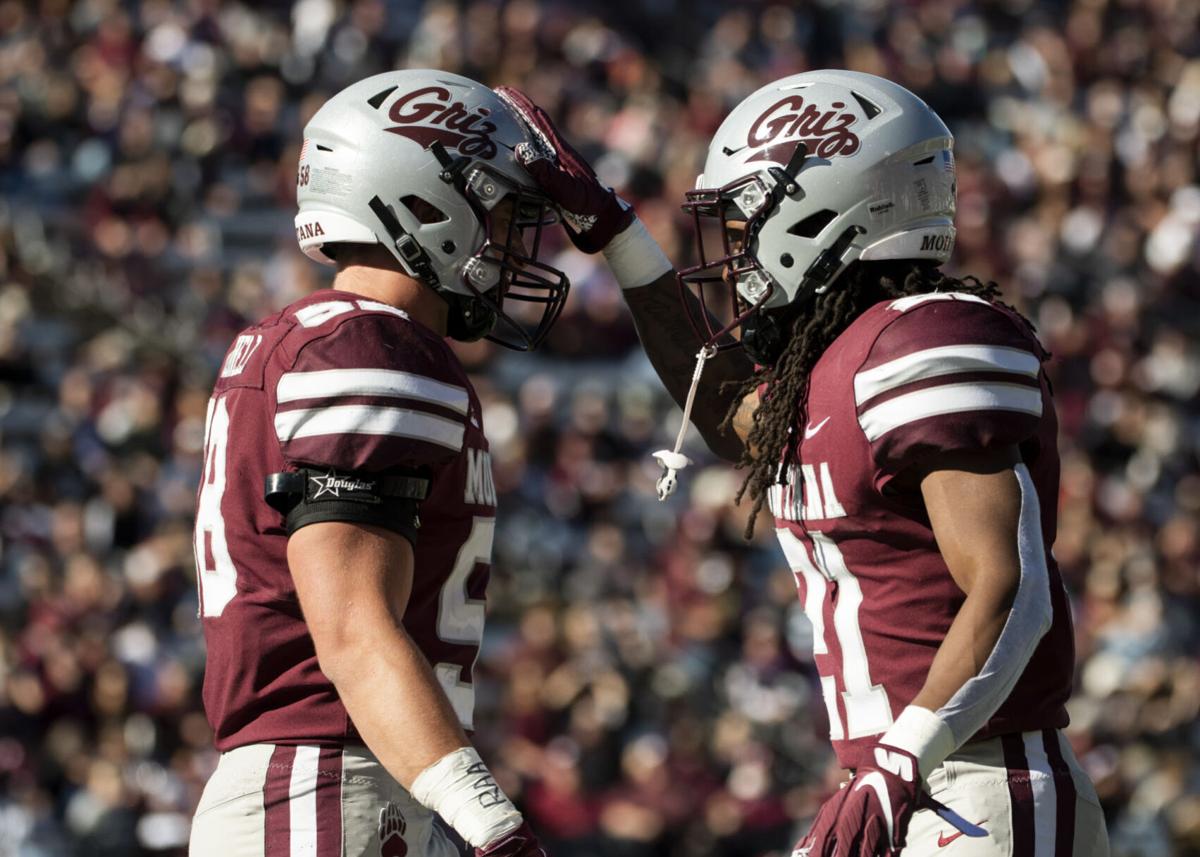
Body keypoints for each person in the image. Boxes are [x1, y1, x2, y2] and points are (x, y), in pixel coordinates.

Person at [496, 70, 1110, 857]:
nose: (738, 248)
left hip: (977, 781)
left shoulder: (924, 338)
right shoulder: (836, 366)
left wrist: (896, 763)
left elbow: (1011, 587)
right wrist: (617, 234)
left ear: (828, 204)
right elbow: (726, 412)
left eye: (749, 219)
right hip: (911, 775)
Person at [189, 69, 564, 857]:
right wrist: (496, 826)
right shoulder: (371, 346)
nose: (506, 241)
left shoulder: (301, 335)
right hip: (330, 780)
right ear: (427, 202)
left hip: (335, 779)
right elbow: (355, 629)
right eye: (495, 210)